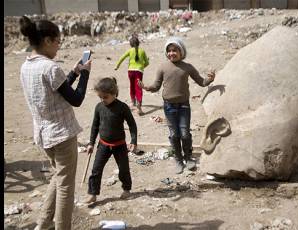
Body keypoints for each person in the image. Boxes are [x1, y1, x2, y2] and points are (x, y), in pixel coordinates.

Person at [19, 16, 92, 230]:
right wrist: (86, 74)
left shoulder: (26, 66)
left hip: (44, 135)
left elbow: (58, 91)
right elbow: (76, 99)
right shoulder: (50, 67)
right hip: (62, 135)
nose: (59, 47)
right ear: (48, 41)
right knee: (66, 188)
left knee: (58, 177)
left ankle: (42, 224)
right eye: (58, 42)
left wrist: (74, 72)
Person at [138, 37, 215, 174]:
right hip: (169, 106)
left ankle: (188, 157)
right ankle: (178, 160)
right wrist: (146, 87)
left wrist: (210, 79)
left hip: (184, 106)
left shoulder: (187, 67)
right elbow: (156, 86)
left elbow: (201, 82)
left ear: (181, 52)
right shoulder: (162, 67)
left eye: (175, 50)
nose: (171, 53)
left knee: (185, 134)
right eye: (169, 51)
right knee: (174, 135)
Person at [83, 77, 137, 204]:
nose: (102, 100)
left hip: (119, 145)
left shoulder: (122, 107)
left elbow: (132, 125)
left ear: (114, 93)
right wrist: (91, 143)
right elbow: (95, 126)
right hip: (103, 145)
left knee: (124, 169)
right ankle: (92, 193)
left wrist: (133, 141)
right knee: (96, 169)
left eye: (105, 97)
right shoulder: (99, 107)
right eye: (100, 97)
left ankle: (126, 189)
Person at [114, 34, 149, 115]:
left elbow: (122, 58)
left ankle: (133, 102)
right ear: (138, 43)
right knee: (138, 87)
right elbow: (147, 63)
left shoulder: (130, 51)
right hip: (139, 71)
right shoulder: (142, 51)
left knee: (132, 86)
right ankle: (139, 105)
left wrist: (117, 66)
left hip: (130, 71)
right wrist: (142, 67)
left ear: (130, 44)